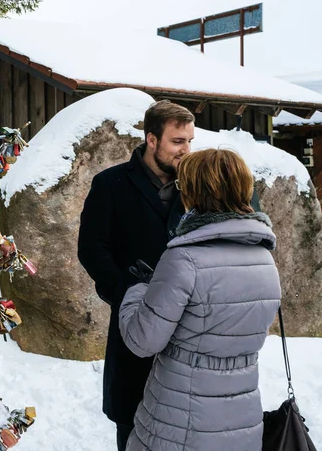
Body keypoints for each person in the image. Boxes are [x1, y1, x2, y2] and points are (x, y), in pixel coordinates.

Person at [119, 149, 281, 451]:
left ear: (194, 191)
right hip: (242, 421)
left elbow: (142, 340)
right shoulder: (264, 258)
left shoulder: (183, 258)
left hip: (178, 425)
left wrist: (139, 290)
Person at [78, 101, 196, 450]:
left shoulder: (196, 184)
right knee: (131, 420)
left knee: (184, 421)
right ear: (152, 140)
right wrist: (127, 295)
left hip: (189, 327)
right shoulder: (110, 184)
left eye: (190, 140)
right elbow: (92, 249)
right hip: (134, 324)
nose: (186, 150)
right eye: (178, 141)